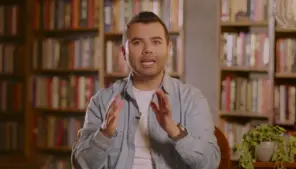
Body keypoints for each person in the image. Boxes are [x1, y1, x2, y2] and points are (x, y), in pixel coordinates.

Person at [71, 11, 221, 169]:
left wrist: (175, 131)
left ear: (168, 48)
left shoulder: (191, 99)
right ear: (124, 52)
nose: (147, 50)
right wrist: (104, 134)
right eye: (137, 42)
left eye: (156, 42)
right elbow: (80, 165)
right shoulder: (102, 100)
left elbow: (210, 163)